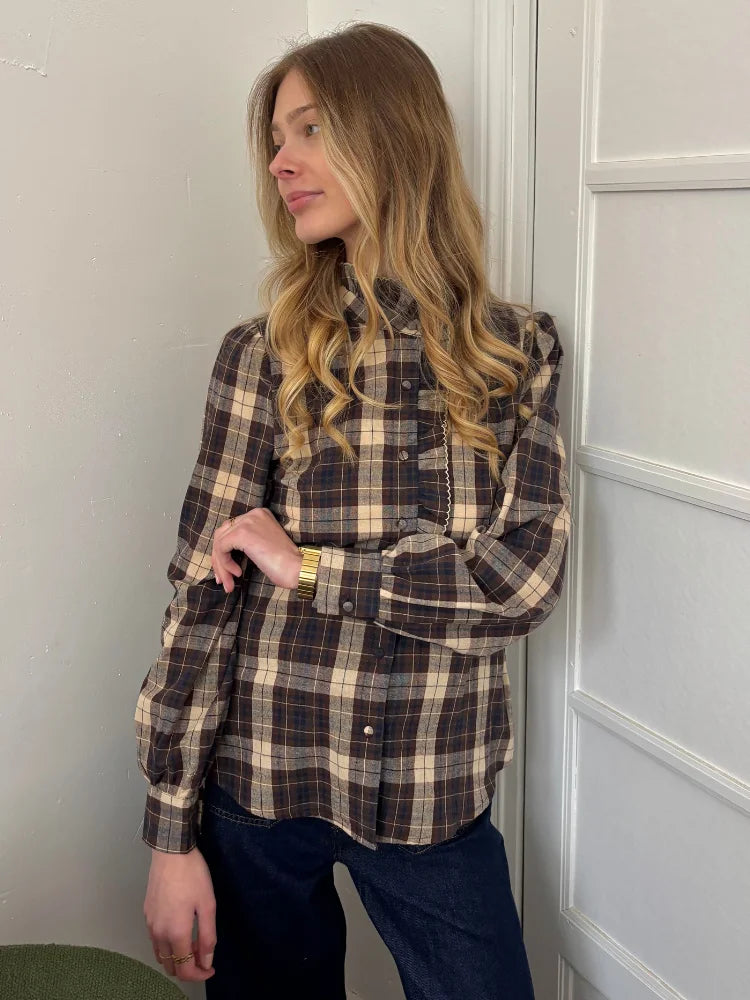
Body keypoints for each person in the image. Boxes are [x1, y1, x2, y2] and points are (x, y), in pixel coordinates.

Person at [134, 20, 571, 1000]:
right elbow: (200, 596)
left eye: (311, 129)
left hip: (432, 794)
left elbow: (521, 584)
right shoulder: (260, 355)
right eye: (275, 140)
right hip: (259, 788)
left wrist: (313, 567)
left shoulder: (517, 354)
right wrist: (170, 834)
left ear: (392, 133)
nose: (280, 163)